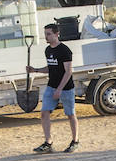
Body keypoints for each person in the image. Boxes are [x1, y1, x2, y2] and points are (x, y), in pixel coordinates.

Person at [27, 22, 79, 153]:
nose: (46, 36)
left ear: (57, 34)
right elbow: (50, 68)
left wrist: (59, 89)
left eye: (49, 34)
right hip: (51, 86)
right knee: (44, 113)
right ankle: (48, 142)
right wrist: (35, 70)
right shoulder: (48, 50)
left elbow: (68, 72)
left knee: (70, 114)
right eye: (45, 34)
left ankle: (75, 141)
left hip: (66, 88)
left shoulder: (65, 50)